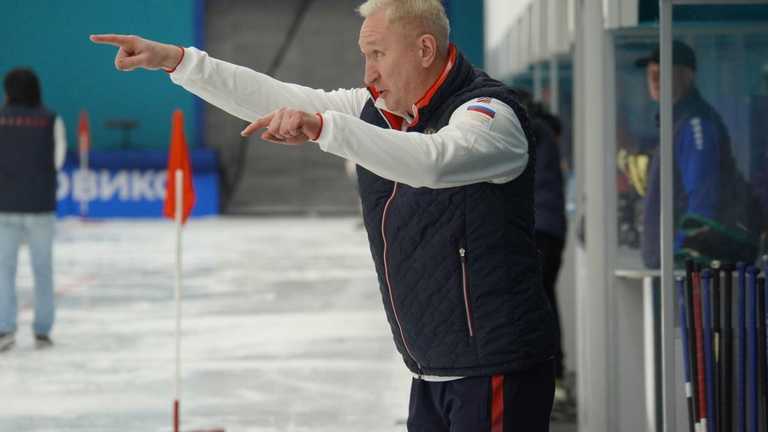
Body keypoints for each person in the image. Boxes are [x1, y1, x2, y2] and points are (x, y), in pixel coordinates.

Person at [91, 1, 557, 429]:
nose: (368, 73)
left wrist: (326, 128)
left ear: (425, 49)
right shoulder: (379, 111)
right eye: (365, 56)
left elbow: (434, 161)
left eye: (377, 54)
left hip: (495, 368)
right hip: (432, 370)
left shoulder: (489, 114)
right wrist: (181, 61)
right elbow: (276, 96)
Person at [636, 40, 760, 267]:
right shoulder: (673, 122)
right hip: (670, 267)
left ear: (687, 75)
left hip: (686, 270)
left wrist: (681, 259)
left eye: (661, 72)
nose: (653, 80)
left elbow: (702, 200)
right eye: (650, 73)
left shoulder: (695, 123)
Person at [0, 68, 66, 351]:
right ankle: (42, 329)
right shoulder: (51, 119)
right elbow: (58, 160)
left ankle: (5, 327)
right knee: (42, 269)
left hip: (4, 206)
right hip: (40, 205)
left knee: (4, 270)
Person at [512, 89, 569, 408]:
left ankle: (547, 375)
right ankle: (551, 373)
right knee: (544, 299)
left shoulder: (529, 129)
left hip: (538, 229)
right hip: (549, 229)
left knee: (538, 303)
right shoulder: (543, 130)